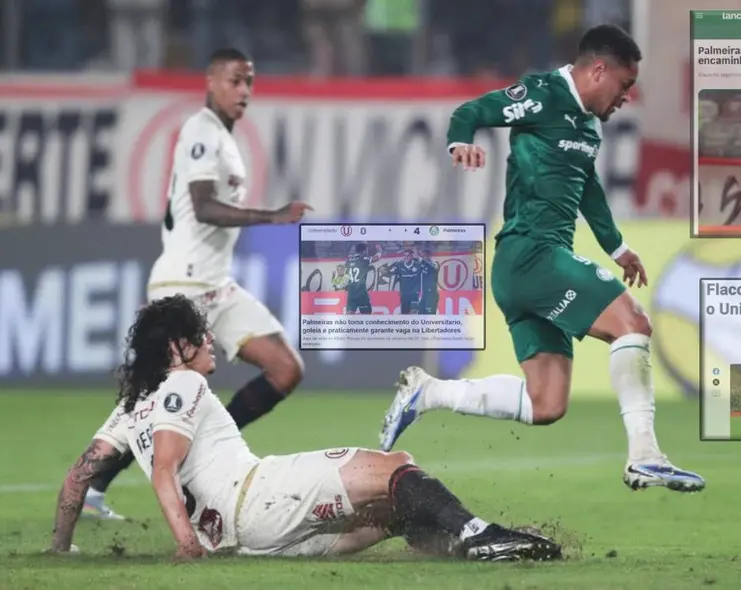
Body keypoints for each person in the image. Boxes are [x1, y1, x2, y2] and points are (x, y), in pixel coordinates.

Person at [378, 25, 705, 493]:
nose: (625, 99)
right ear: (598, 70)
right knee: (631, 323)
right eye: (624, 86)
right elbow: (473, 109)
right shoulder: (541, 94)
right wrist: (460, 142)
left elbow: (587, 189)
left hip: (526, 269)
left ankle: (428, 392)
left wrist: (617, 247)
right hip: (532, 254)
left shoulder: (586, 124)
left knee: (545, 404)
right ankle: (646, 456)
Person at [48, 295, 562, 562]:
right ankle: (480, 535)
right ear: (177, 350)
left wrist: (61, 550)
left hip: (240, 540)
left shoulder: (131, 405)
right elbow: (164, 470)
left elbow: (75, 481)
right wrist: (183, 543)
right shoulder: (183, 385)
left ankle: (473, 543)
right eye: (198, 335)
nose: (211, 341)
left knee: (390, 513)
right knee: (394, 468)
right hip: (256, 498)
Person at [80, 47, 312, 520]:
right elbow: (203, 206)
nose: (244, 91)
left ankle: (207, 450)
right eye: (234, 80)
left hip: (217, 285)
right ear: (210, 81)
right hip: (181, 284)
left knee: (284, 368)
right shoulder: (200, 132)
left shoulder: (227, 140)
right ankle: (87, 485)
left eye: (249, 81)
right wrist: (270, 216)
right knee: (150, 402)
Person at [345, 243, 382, 314]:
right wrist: (379, 249)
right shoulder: (364, 259)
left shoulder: (348, 260)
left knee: (349, 315)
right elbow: (377, 257)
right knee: (366, 315)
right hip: (361, 291)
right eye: (366, 250)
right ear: (364, 251)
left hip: (351, 292)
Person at [390, 249, 423, 315]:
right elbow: (391, 272)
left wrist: (418, 257)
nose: (406, 257)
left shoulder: (418, 265)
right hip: (404, 293)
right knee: (405, 313)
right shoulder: (399, 265)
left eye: (408, 256)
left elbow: (426, 263)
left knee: (414, 312)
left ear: (412, 256)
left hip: (414, 293)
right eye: (405, 256)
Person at [418, 247, 441, 315]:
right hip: (425, 293)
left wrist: (424, 261)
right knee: (420, 312)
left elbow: (434, 269)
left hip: (432, 293)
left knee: (430, 314)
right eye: (422, 256)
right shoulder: (422, 264)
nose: (423, 257)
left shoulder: (435, 263)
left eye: (425, 255)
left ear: (429, 255)